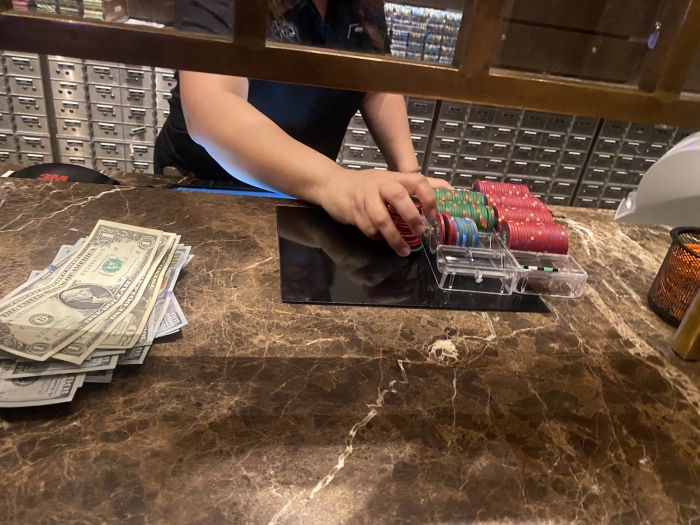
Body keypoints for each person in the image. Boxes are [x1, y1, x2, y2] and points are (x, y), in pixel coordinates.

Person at [155, 0, 451, 257]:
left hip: (302, 197)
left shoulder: (360, 5)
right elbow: (209, 107)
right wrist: (336, 182)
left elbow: (375, 79)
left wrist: (410, 176)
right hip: (209, 191)